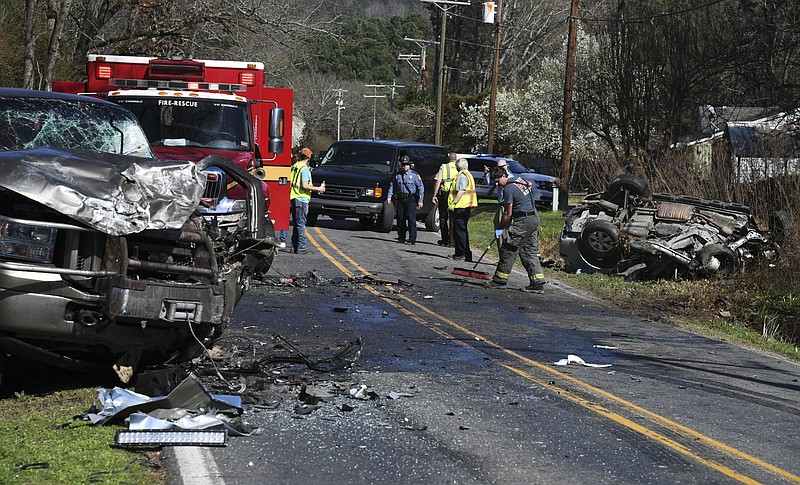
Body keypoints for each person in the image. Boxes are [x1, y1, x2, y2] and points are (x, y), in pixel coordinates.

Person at [486, 166, 546, 293]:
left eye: (497, 180)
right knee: (529, 251)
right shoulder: (519, 180)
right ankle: (537, 282)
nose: (497, 183)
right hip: (533, 218)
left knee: (508, 249)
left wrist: (500, 227)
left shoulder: (509, 188)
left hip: (523, 221)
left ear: (503, 176)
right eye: (494, 181)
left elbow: (508, 213)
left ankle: (499, 280)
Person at [289, 147, 325, 253]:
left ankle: (295, 246)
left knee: (296, 223)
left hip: (294, 197)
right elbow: (305, 185)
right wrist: (319, 188)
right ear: (309, 157)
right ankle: (302, 247)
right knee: (301, 223)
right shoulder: (304, 169)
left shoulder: (295, 166)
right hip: (302, 198)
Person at [387, 155, 424, 245]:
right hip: (400, 198)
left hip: (411, 198)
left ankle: (412, 238)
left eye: (407, 164)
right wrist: (389, 196)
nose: (405, 166)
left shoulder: (415, 175)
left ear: (410, 165)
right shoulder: (397, 175)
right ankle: (401, 237)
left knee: (411, 218)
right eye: (403, 164)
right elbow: (392, 186)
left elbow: (421, 188)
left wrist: (420, 200)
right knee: (400, 218)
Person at [448, 158, 477, 262]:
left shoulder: (462, 176)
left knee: (459, 231)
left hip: (461, 207)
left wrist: (454, 202)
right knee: (463, 231)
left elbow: (461, 190)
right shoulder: (468, 174)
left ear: (457, 166)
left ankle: (461, 253)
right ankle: (466, 254)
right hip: (466, 206)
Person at [432, 152, 458, 246]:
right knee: (453, 218)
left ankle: (444, 239)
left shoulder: (443, 167)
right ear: (456, 159)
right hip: (455, 194)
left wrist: (434, 194)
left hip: (445, 194)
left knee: (443, 217)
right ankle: (452, 241)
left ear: (448, 159)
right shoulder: (459, 167)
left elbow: (438, 182)